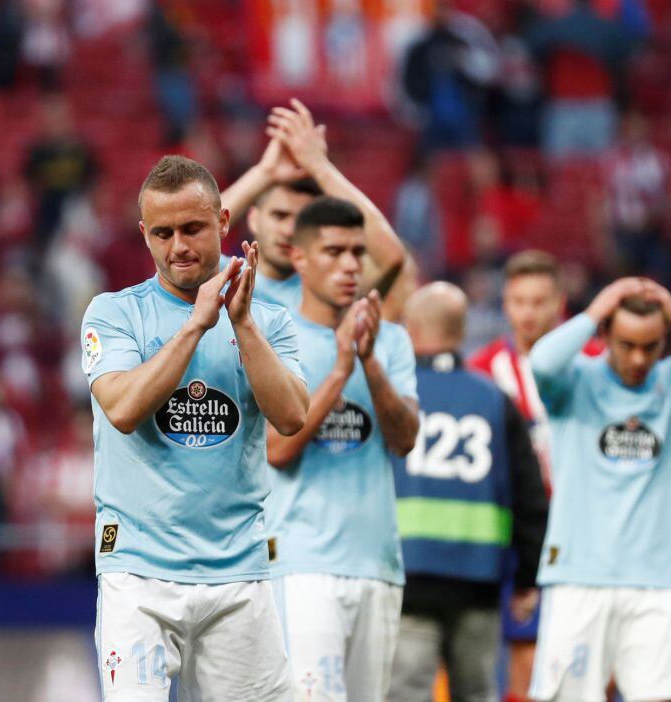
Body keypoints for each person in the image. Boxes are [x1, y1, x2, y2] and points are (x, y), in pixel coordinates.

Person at [82, 155, 309, 700]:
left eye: (192, 228)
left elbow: (293, 416)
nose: (178, 246)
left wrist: (244, 324)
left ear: (224, 223)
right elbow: (124, 408)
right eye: (162, 233)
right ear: (144, 234)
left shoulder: (270, 319)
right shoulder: (114, 314)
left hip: (238, 574)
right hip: (138, 572)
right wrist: (197, 324)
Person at [527, 277, 671, 702]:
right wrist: (592, 312)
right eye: (626, 344)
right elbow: (543, 363)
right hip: (578, 577)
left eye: (651, 345)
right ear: (604, 335)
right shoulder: (574, 384)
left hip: (657, 581)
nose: (639, 358)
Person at [264, 196, 421, 702]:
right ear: (300, 257)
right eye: (334, 251)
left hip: (377, 563)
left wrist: (369, 362)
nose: (351, 264)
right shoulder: (273, 336)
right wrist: (339, 370)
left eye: (357, 252)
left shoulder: (391, 341)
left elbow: (405, 440)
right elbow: (276, 450)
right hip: (302, 563)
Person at [389, 282, 548, 702]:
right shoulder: (495, 399)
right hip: (478, 578)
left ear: (410, 330)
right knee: (477, 692)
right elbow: (530, 495)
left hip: (408, 577)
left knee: (406, 692)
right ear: (461, 332)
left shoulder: (393, 395)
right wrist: (527, 576)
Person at [467, 249, 594, 701]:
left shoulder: (594, 361)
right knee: (526, 658)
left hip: (587, 533)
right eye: (519, 301)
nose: (528, 312)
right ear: (505, 304)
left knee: (598, 664)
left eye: (539, 301)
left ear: (560, 302)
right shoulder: (481, 373)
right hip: (519, 538)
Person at [220, 98, 407, 307]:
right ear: (253, 219)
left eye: (302, 220)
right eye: (279, 216)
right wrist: (264, 173)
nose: (289, 230)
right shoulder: (222, 278)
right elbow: (195, 230)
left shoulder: (328, 296)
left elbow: (391, 258)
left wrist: (320, 167)